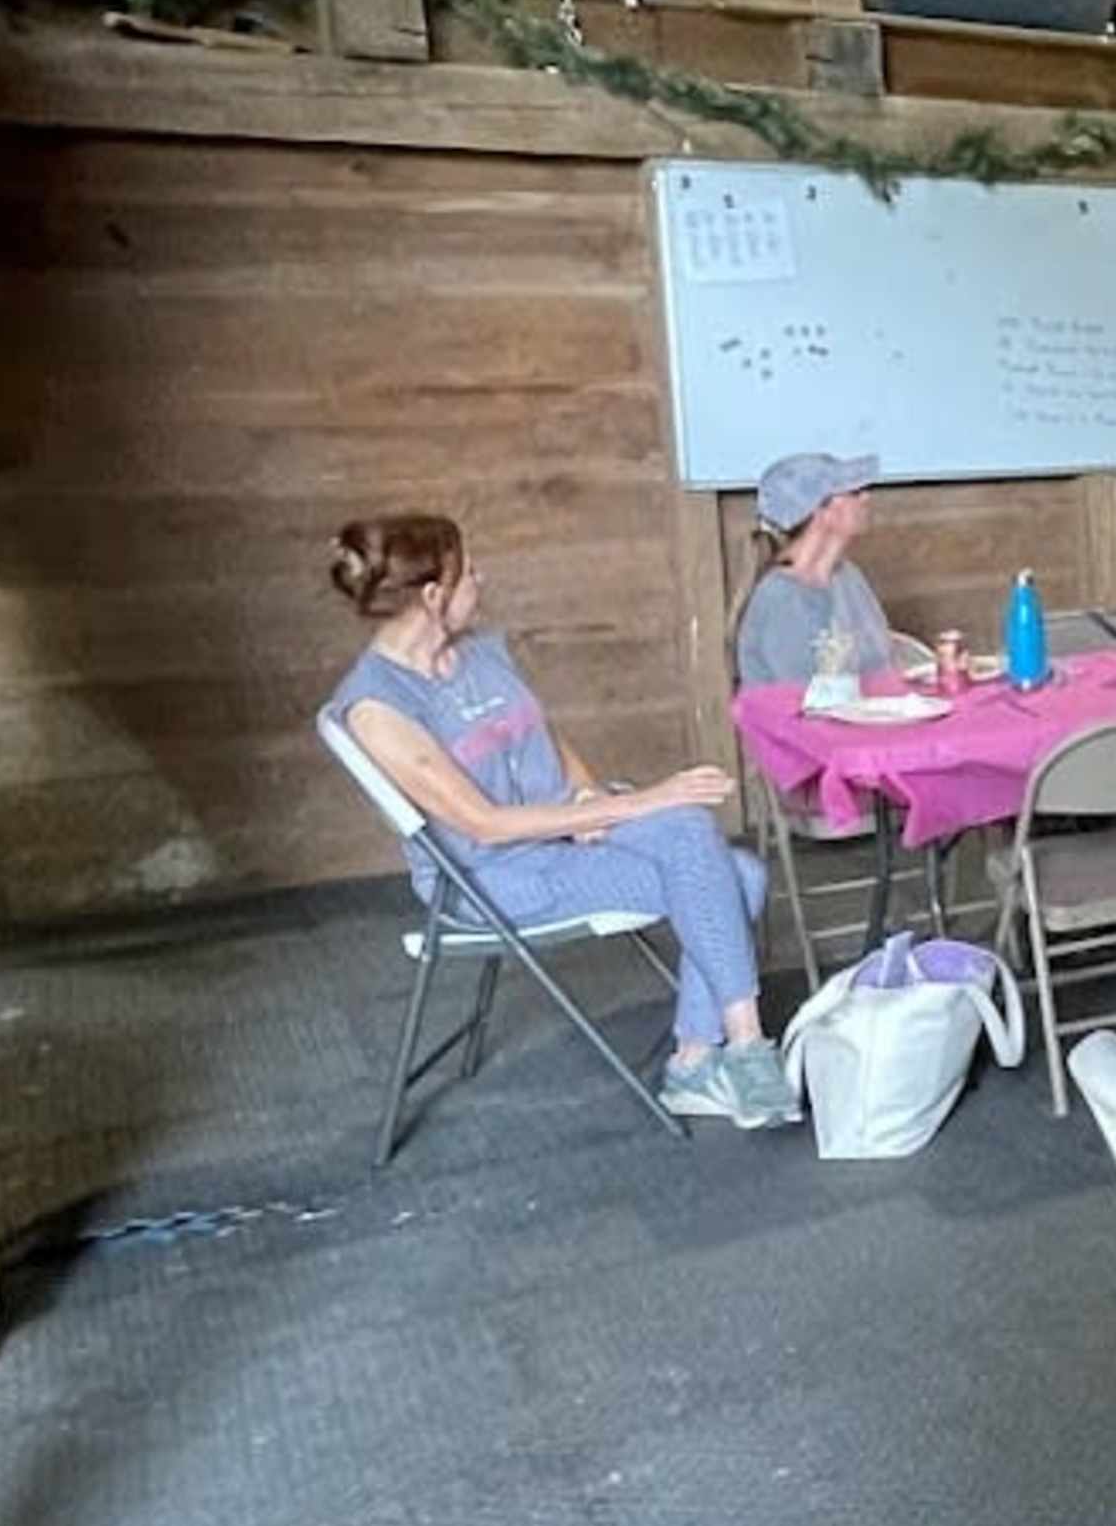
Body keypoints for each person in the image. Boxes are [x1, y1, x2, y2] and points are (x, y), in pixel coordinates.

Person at [322, 509, 797, 1128]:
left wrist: (585, 796)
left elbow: (542, 737)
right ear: (433, 596)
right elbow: (483, 825)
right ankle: (719, 1059)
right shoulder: (377, 707)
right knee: (732, 878)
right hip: (496, 874)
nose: (481, 581)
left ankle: (714, 1055)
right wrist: (635, 801)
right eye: (469, 574)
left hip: (566, 828)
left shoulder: (480, 653)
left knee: (698, 837)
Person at [732, 451, 923, 691]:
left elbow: (881, 663)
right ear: (820, 511)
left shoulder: (848, 577)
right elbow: (809, 705)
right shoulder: (780, 599)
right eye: (853, 492)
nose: (866, 497)